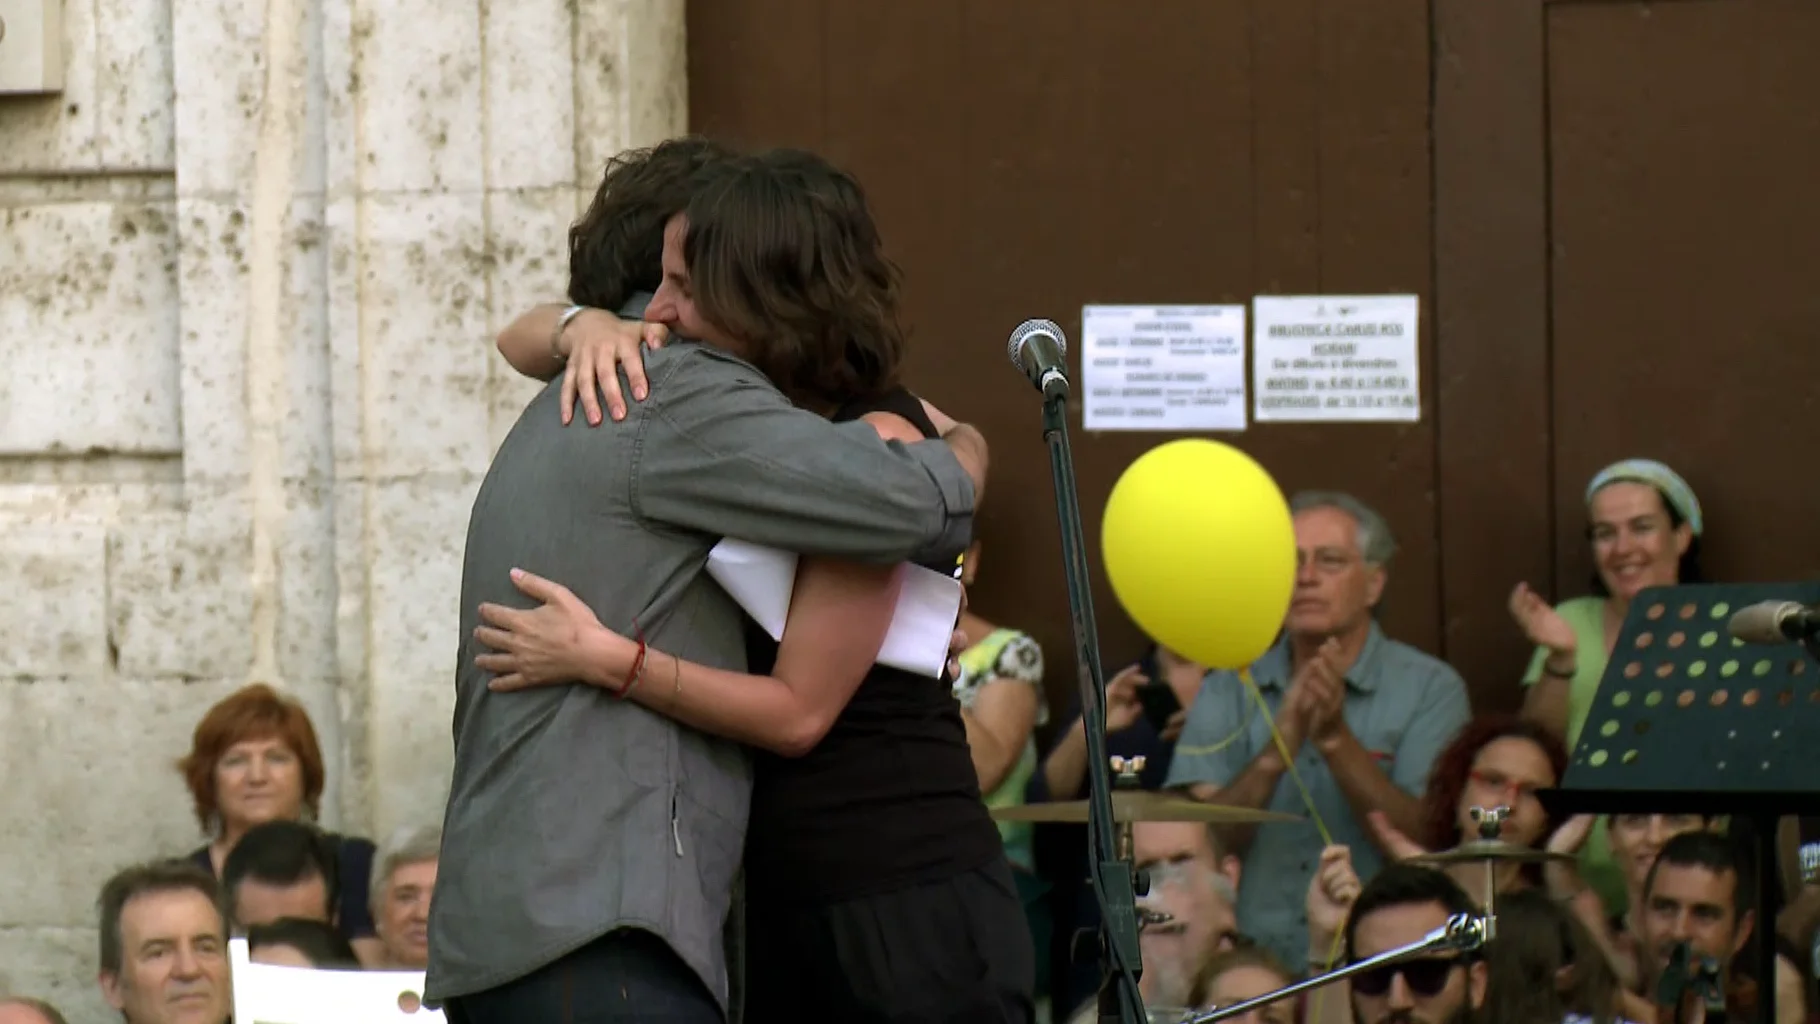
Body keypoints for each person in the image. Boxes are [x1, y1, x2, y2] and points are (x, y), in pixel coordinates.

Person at [427, 138, 991, 1024]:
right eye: (667, 279)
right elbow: (917, 502)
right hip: (606, 926)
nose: (665, 305)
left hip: (530, 922)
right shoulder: (673, 388)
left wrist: (572, 323)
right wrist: (970, 446)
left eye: (685, 284)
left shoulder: (583, 389)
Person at [1168, 490, 1471, 966]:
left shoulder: (1431, 688)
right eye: (1292, 563)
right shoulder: (1228, 686)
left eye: (1329, 562)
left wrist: (1335, 741)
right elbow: (1199, 843)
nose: (1305, 578)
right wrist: (1275, 752)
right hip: (1245, 966)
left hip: (1385, 963)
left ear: (1374, 584)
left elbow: (1432, 835)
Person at [1510, 458, 1705, 914]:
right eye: (1605, 533)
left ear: (1681, 536)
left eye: (1641, 527)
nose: (1623, 548)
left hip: (1695, 888)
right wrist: (1560, 658)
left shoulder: (1723, 627)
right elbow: (1535, 751)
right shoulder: (1572, 621)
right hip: (1578, 885)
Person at [175, 683, 380, 961]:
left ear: (306, 774)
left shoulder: (354, 864)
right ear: (209, 780)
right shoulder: (184, 881)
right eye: (236, 761)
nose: (257, 776)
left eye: (276, 758)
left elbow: (364, 978)